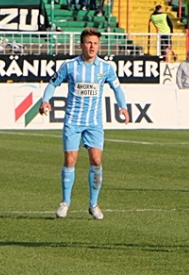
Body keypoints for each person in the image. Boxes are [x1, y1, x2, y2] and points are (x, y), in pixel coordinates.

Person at [38, 28, 130, 220]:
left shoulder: (105, 68)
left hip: (94, 123)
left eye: (95, 43)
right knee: (70, 160)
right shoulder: (70, 66)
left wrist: (123, 106)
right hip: (73, 120)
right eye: (88, 43)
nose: (92, 46)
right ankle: (65, 202)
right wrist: (45, 100)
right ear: (81, 44)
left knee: (96, 160)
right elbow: (53, 83)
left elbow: (117, 88)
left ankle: (93, 204)